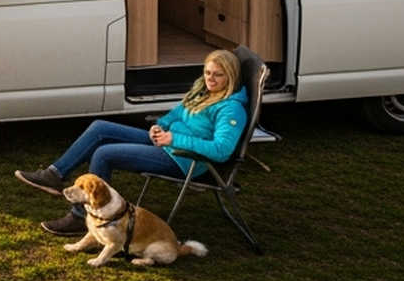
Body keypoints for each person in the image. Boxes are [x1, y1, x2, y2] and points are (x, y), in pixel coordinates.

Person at [15, 49, 249, 235]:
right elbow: (177, 113)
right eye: (208, 72)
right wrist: (162, 126)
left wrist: (174, 138)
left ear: (230, 77)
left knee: (103, 154)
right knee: (100, 128)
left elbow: (221, 151)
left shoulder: (231, 109)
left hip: (182, 160)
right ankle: (54, 175)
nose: (210, 78)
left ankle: (82, 217)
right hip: (165, 142)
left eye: (218, 75)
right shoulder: (204, 91)